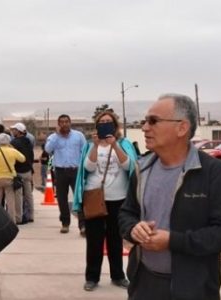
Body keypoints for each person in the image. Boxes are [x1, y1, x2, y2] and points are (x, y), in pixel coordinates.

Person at [118, 94, 221, 300]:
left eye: (153, 121)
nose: (144, 128)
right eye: (144, 121)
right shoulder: (142, 169)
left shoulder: (214, 172)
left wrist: (173, 241)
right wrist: (134, 229)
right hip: (144, 285)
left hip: (194, 289)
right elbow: (126, 213)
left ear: (182, 128)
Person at [73, 111, 137, 291]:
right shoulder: (89, 145)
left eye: (109, 122)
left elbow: (130, 166)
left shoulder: (124, 144)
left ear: (115, 125)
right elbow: (88, 167)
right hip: (94, 197)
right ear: (97, 125)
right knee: (94, 240)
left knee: (115, 239)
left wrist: (114, 145)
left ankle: (118, 275)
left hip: (119, 199)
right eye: (102, 122)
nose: (105, 124)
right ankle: (92, 277)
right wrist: (95, 146)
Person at [45, 114, 86, 234]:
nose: (64, 124)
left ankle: (83, 225)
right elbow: (47, 149)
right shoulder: (53, 137)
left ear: (70, 122)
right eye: (61, 122)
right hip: (60, 171)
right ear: (58, 124)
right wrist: (56, 136)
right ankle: (65, 223)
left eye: (66, 121)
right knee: (62, 199)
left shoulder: (78, 136)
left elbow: (84, 152)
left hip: (76, 170)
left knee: (79, 198)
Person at [0, 133, 26, 224]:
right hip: (9, 177)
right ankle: (12, 221)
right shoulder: (12, 151)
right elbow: (23, 159)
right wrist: (13, 149)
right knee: (10, 201)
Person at [9, 123, 35, 224]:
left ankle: (19, 217)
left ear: (18, 131)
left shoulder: (14, 142)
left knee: (18, 196)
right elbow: (31, 155)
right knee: (29, 194)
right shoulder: (28, 141)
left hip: (18, 172)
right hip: (28, 171)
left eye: (14, 130)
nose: (13, 132)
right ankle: (31, 215)